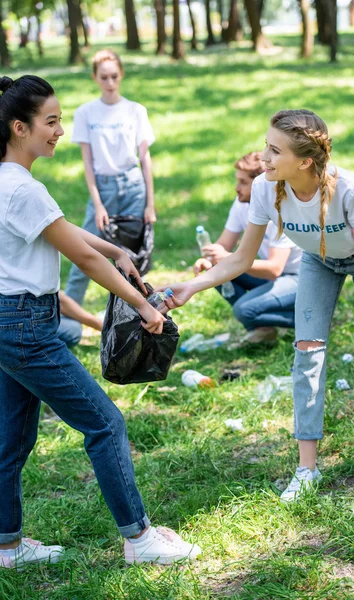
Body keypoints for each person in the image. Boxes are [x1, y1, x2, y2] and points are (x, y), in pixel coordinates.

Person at [0, 74, 201, 568]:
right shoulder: (22, 189)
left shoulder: (9, 182)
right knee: (106, 424)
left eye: (61, 120)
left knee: (11, 437)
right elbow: (84, 262)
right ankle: (139, 540)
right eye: (51, 121)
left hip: (10, 323)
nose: (60, 130)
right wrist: (146, 305)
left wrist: (117, 249)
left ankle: (6, 546)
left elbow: (66, 234)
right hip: (25, 327)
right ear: (18, 128)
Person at [160, 109, 354, 503]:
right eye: (266, 146)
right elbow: (239, 259)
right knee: (306, 356)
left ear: (304, 161)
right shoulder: (264, 189)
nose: (265, 158)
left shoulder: (348, 190)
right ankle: (307, 469)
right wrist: (191, 287)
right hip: (318, 262)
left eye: (274, 151)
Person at [64, 49, 156, 307]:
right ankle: (69, 312)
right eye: (104, 77)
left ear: (122, 75)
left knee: (134, 256)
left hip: (133, 188)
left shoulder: (136, 110)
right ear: (95, 77)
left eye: (115, 76)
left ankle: (136, 316)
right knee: (83, 250)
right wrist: (98, 204)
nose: (110, 82)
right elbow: (88, 163)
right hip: (102, 189)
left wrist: (150, 203)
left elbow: (145, 159)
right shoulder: (85, 113)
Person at [193, 151, 301, 343]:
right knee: (216, 270)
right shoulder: (241, 203)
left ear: (262, 184)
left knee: (244, 310)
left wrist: (226, 257)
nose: (237, 188)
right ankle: (263, 329)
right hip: (274, 278)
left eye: (243, 182)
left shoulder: (280, 210)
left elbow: (274, 269)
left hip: (298, 279)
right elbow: (224, 243)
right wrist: (209, 258)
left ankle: (310, 320)